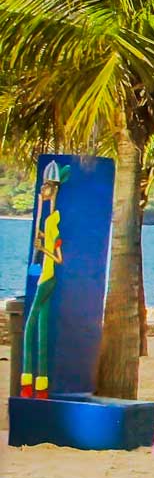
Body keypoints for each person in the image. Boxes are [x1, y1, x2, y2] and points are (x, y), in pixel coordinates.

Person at [18, 162, 63, 399]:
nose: (45, 190)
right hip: (44, 277)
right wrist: (42, 240)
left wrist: (43, 247)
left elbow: (57, 257)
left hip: (48, 278)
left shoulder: (53, 219)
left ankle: (28, 380)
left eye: (48, 186)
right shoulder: (49, 221)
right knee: (42, 328)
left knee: (31, 326)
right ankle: (41, 385)